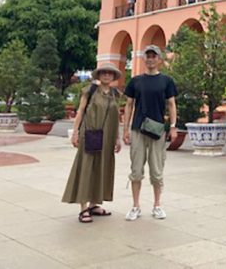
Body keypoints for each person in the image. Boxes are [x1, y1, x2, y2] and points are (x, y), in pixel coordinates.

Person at [123, 45, 178, 221]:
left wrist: (173, 126)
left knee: (157, 170)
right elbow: (129, 105)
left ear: (159, 59)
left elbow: (171, 104)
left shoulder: (166, 81)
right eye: (148, 56)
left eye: (154, 56)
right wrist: (125, 129)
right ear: (143, 59)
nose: (150, 59)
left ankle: (157, 205)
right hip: (138, 128)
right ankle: (135, 206)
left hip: (157, 130)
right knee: (136, 169)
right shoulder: (136, 81)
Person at [62, 63, 122, 223]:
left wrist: (117, 137)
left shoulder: (115, 93)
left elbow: (116, 118)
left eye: (110, 73)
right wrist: (75, 132)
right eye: (104, 73)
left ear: (113, 76)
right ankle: (83, 208)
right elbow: (81, 111)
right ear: (99, 75)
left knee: (102, 168)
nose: (107, 75)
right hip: (90, 133)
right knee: (87, 168)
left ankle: (94, 204)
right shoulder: (90, 90)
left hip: (108, 137)